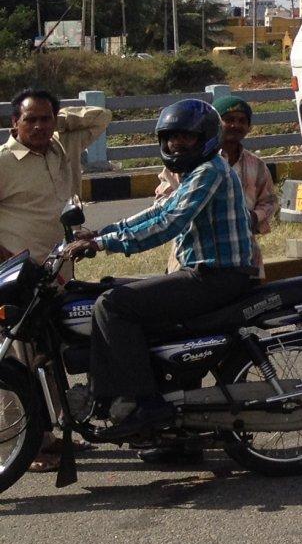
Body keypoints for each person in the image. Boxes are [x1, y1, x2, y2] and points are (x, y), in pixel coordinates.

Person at [61, 100, 259, 440]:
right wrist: (101, 232)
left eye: (186, 138)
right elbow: (158, 210)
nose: (176, 144)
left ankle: (145, 403)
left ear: (206, 138)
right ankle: (134, 401)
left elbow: (169, 223)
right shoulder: (196, 172)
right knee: (102, 291)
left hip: (216, 278)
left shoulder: (210, 170)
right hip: (203, 274)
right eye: (170, 138)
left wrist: (104, 245)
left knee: (113, 304)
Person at [153, 94, 278, 272]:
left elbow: (270, 201)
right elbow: (162, 203)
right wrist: (191, 208)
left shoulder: (256, 165)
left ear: (249, 127)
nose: (236, 125)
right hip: (192, 261)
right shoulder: (186, 161)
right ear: (215, 125)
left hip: (243, 260)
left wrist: (252, 217)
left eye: (242, 121)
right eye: (229, 119)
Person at [0, 88, 114, 260]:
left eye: (45, 118)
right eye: (30, 120)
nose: (38, 126)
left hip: (60, 265)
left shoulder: (62, 146)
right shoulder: (4, 161)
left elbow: (102, 117)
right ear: (15, 122)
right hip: (16, 272)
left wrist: (58, 121)